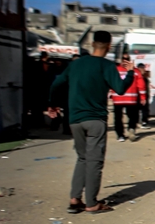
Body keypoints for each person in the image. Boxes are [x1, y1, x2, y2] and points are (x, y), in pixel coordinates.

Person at [47, 31, 135, 213]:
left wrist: (53, 104)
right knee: (94, 161)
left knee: (82, 158)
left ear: (92, 44)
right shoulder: (107, 65)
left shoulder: (76, 64)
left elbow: (56, 84)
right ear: (109, 46)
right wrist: (130, 73)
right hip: (95, 119)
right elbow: (119, 89)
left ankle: (74, 199)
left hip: (75, 120)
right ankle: (91, 203)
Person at [111, 53, 146, 142]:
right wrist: (142, 97)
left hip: (120, 98)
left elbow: (110, 82)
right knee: (128, 116)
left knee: (121, 117)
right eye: (124, 58)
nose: (125, 60)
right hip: (129, 98)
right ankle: (128, 130)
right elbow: (141, 85)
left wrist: (109, 92)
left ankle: (123, 133)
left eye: (126, 59)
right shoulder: (135, 71)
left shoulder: (115, 70)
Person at [137, 63, 151, 128]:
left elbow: (146, 87)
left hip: (145, 95)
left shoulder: (145, 77)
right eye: (141, 68)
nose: (142, 69)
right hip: (137, 95)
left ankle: (144, 121)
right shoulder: (136, 76)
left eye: (143, 68)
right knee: (137, 110)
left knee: (145, 109)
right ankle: (137, 122)